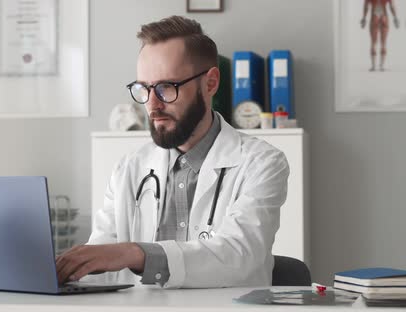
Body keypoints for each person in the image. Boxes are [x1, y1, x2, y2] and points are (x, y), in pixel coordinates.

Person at [55, 16, 289, 288]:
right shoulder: (129, 168)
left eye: (167, 87)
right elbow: (102, 257)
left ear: (210, 83)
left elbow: (239, 253)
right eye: (143, 88)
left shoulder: (262, 163)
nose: (152, 105)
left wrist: (136, 253)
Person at [360, 0, 399, 71]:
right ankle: (381, 66)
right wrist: (395, 17)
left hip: (374, 15)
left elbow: (366, 6)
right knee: (383, 43)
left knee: (373, 42)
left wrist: (364, 18)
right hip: (384, 16)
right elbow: (391, 6)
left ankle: (373, 66)